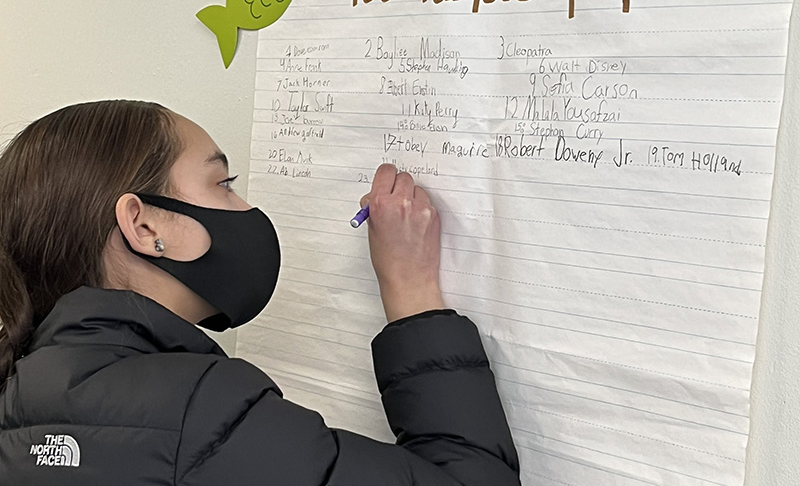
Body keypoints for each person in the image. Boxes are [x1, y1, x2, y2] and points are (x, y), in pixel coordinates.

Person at [0, 100, 520, 485]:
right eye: (223, 183)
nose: (243, 205)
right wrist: (411, 288)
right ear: (143, 226)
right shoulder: (197, 411)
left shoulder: (19, 394)